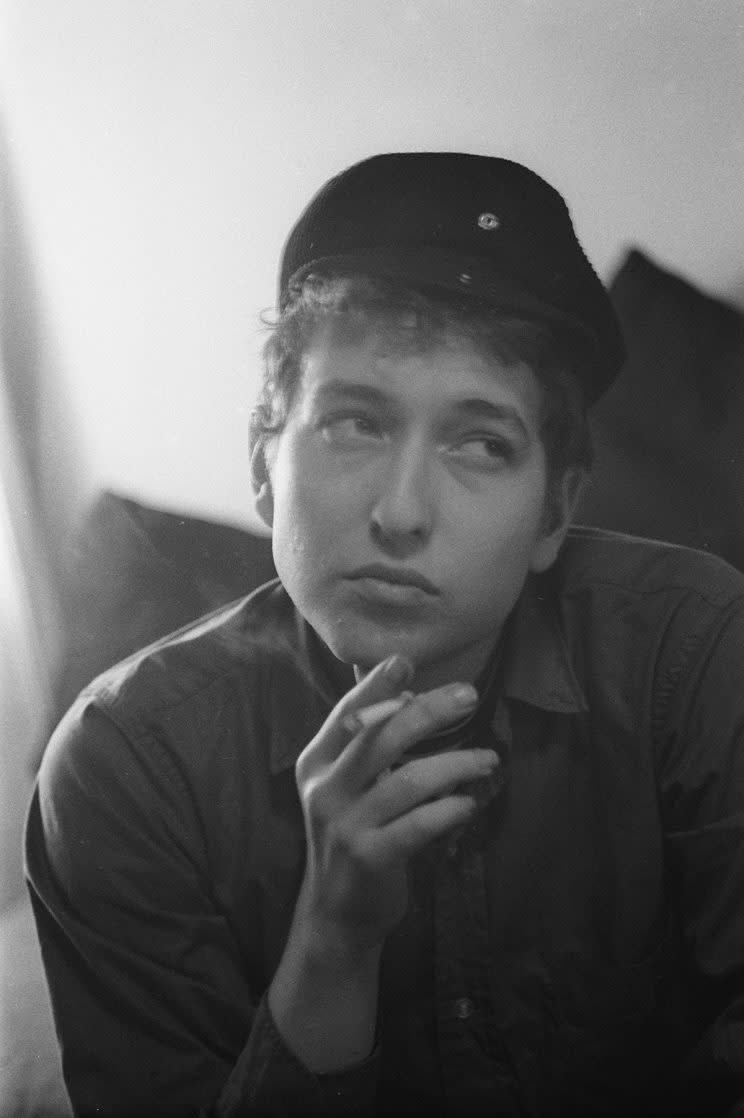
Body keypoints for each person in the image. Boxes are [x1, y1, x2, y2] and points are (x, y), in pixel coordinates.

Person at [25, 152, 744, 1118]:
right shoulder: (125, 767)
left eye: (481, 443)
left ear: (554, 516)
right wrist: (332, 940)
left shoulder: (692, 654)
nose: (403, 514)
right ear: (262, 462)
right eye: (355, 424)